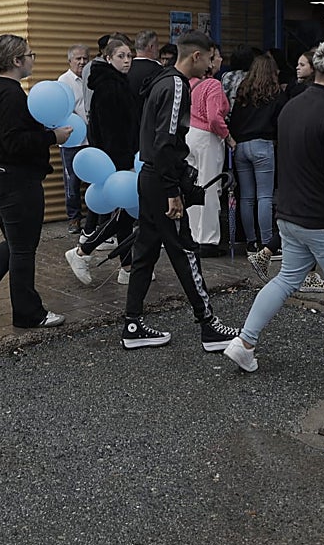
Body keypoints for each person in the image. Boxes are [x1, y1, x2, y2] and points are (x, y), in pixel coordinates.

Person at [224, 41, 324, 380]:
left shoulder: (292, 107)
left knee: (285, 279)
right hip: (322, 219)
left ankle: (245, 341)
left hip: (289, 213)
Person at [120, 30, 240, 351]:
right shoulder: (175, 85)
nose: (213, 67)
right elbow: (165, 141)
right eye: (211, 58)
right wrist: (173, 189)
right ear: (196, 56)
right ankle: (208, 324)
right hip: (161, 181)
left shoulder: (163, 80)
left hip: (150, 176)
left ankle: (133, 323)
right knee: (185, 250)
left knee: (145, 251)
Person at [0, 34, 72, 327]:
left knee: (16, 242)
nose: (33, 59)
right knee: (22, 249)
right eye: (31, 55)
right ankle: (29, 313)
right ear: (17, 61)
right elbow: (14, 143)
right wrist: (51, 137)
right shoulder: (11, 94)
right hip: (14, 182)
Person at [65, 37, 140, 285]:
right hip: (117, 160)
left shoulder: (117, 82)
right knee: (123, 214)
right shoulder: (109, 86)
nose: (127, 60)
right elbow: (111, 131)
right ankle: (83, 253)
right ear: (108, 58)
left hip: (120, 158)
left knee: (125, 215)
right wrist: (123, 163)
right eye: (121, 56)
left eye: (129, 55)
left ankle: (126, 267)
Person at [229, 54, 285, 253]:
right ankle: (267, 242)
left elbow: (234, 120)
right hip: (263, 144)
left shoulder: (243, 90)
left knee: (246, 197)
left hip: (241, 146)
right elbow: (281, 121)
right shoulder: (275, 93)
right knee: (265, 197)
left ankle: (251, 242)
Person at [185, 44, 233, 255]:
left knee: (194, 186)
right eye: (219, 56)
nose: (222, 59)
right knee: (210, 187)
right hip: (207, 138)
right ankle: (209, 239)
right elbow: (214, 117)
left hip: (190, 135)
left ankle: (194, 235)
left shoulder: (190, 83)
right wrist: (228, 137)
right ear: (211, 61)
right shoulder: (213, 84)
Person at [58, 44, 89, 234]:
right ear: (70, 61)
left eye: (85, 58)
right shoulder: (64, 81)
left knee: (92, 180)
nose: (82, 62)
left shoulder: (90, 78)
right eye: (78, 59)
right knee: (72, 181)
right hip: (71, 139)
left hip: (90, 138)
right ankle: (74, 218)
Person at [128, 30, 162, 127]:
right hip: (149, 125)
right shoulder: (159, 70)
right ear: (151, 47)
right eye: (157, 46)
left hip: (128, 124)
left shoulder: (125, 67)